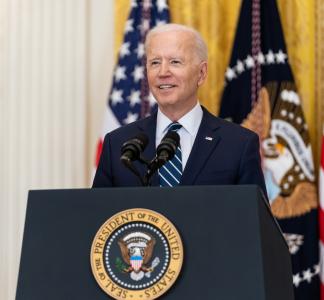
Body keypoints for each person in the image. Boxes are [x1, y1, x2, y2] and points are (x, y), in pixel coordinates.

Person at [93, 23, 267, 198]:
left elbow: (254, 222)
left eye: (175, 62)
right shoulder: (118, 145)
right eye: (155, 62)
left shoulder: (239, 145)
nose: (163, 72)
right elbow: (98, 219)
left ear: (201, 73)